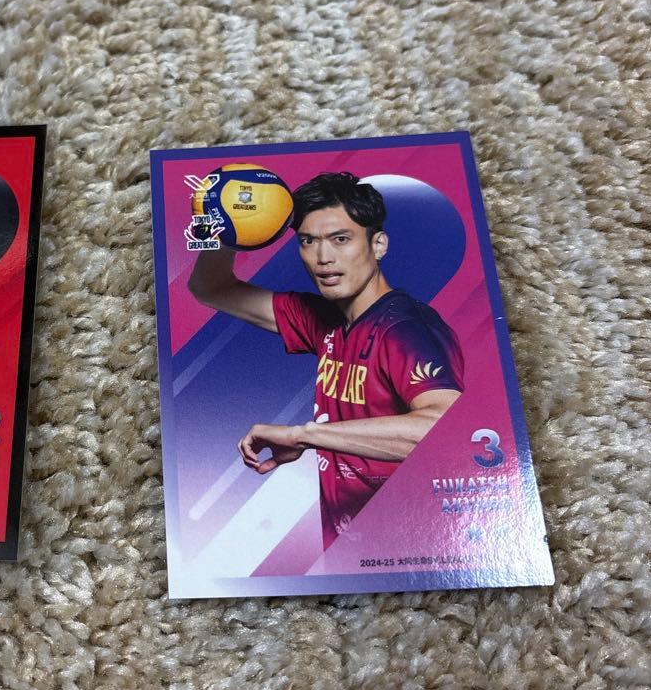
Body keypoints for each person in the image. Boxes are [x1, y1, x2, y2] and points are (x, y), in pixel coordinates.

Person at [188, 171, 464, 548]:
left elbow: (448, 430)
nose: (323, 258)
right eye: (308, 241)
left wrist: (304, 435)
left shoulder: (405, 328)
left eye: (340, 239)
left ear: (378, 244)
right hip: (348, 544)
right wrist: (225, 227)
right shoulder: (325, 319)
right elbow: (210, 288)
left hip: (408, 542)